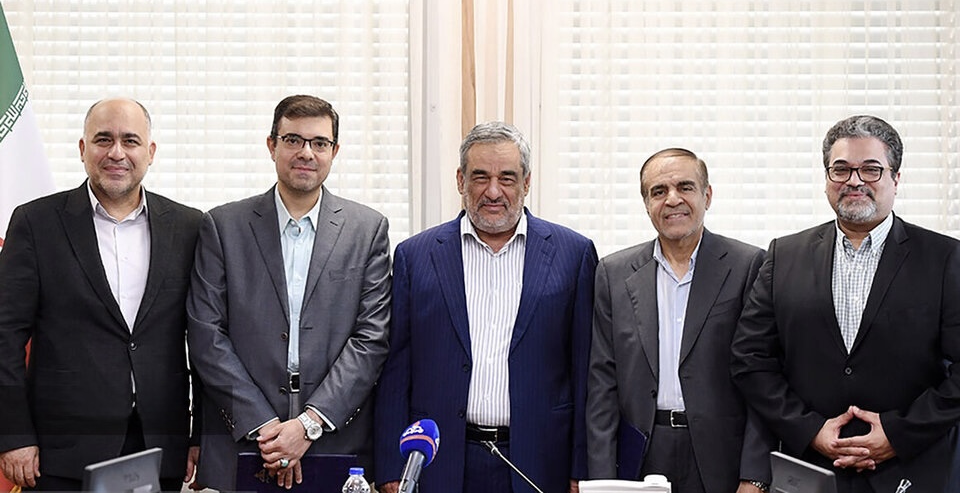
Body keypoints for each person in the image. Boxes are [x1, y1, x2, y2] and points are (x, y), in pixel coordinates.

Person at [731, 115, 960, 492]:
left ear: (896, 178)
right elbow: (750, 359)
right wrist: (810, 429)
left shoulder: (945, 258)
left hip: (915, 470)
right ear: (827, 179)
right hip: (812, 470)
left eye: (871, 169)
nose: (854, 180)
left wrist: (898, 433)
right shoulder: (784, 256)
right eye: (841, 169)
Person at [374, 121, 598, 493]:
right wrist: (391, 467)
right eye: (480, 177)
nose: (493, 191)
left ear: (527, 182)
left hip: (541, 460)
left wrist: (583, 468)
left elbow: (585, 370)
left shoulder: (573, 255)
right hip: (440, 462)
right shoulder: (415, 256)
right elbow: (396, 368)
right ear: (460, 180)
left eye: (507, 178)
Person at [187, 94, 391, 491]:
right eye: (293, 140)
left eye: (319, 143)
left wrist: (309, 424)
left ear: (334, 151)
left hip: (334, 437)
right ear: (272, 145)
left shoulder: (367, 230)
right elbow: (206, 334)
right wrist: (264, 426)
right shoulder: (223, 226)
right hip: (245, 440)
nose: (306, 153)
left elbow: (371, 338)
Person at [0, 98, 202, 491]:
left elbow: (206, 339)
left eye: (130, 141)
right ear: (83, 149)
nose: (116, 153)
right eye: (103, 139)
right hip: (60, 452)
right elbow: (5, 336)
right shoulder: (36, 223)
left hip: (159, 445)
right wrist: (14, 435)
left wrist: (199, 436)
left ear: (150, 152)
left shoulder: (189, 226)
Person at [586, 148, 773, 493]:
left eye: (685, 187)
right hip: (641, 456)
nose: (673, 199)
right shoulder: (613, 274)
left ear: (707, 195)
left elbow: (762, 379)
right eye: (659, 191)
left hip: (721, 458)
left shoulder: (748, 265)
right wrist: (602, 480)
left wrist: (755, 475)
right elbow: (602, 385)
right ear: (646, 204)